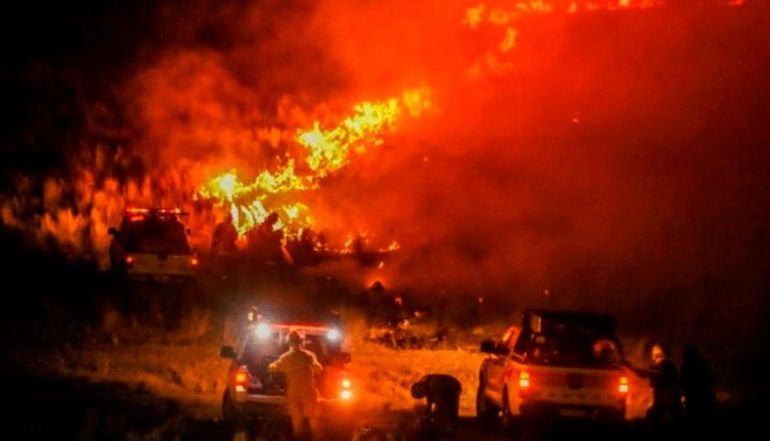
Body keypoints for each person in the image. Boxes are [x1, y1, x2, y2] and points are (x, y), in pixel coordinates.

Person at [268, 331, 323, 440]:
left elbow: (271, 368)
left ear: (289, 343)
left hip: (293, 393)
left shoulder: (286, 357)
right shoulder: (308, 356)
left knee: (297, 422)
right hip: (308, 393)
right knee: (313, 421)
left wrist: (278, 368)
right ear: (301, 342)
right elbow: (319, 369)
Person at [625, 343, 682, 423]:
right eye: (653, 354)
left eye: (656, 354)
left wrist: (631, 367)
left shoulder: (666, 367)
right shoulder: (669, 366)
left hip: (666, 399)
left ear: (662, 355)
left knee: (653, 417)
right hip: (666, 399)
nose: (653, 358)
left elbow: (649, 373)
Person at [410, 374, 462, 439]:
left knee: (450, 411)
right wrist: (427, 413)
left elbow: (439, 405)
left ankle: (451, 433)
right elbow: (429, 401)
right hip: (446, 386)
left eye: (420, 394)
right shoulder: (426, 384)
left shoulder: (434, 385)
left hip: (453, 387)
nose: (422, 396)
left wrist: (431, 415)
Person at [680, 344, 715, 420]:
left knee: (695, 418)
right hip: (703, 397)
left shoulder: (686, 366)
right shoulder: (702, 363)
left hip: (694, 398)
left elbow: (683, 381)